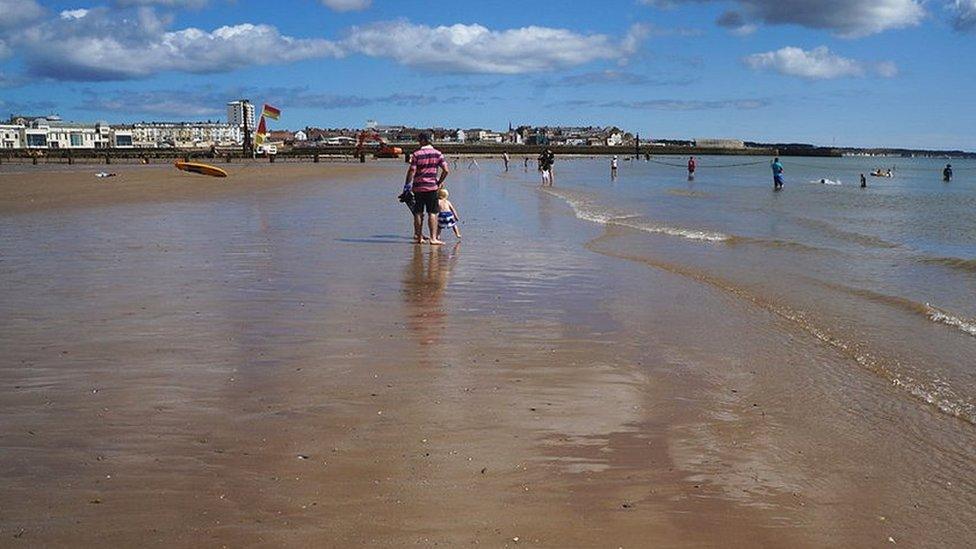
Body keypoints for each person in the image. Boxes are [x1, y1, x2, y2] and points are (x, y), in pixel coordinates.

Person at [403, 133, 449, 245]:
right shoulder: (438, 154)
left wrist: (407, 185)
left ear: (423, 140)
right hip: (432, 187)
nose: (418, 142)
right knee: (432, 213)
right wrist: (439, 182)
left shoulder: (416, 154)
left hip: (418, 187)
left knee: (418, 213)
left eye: (419, 140)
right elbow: (446, 170)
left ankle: (419, 238)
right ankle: (433, 239)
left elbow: (412, 171)